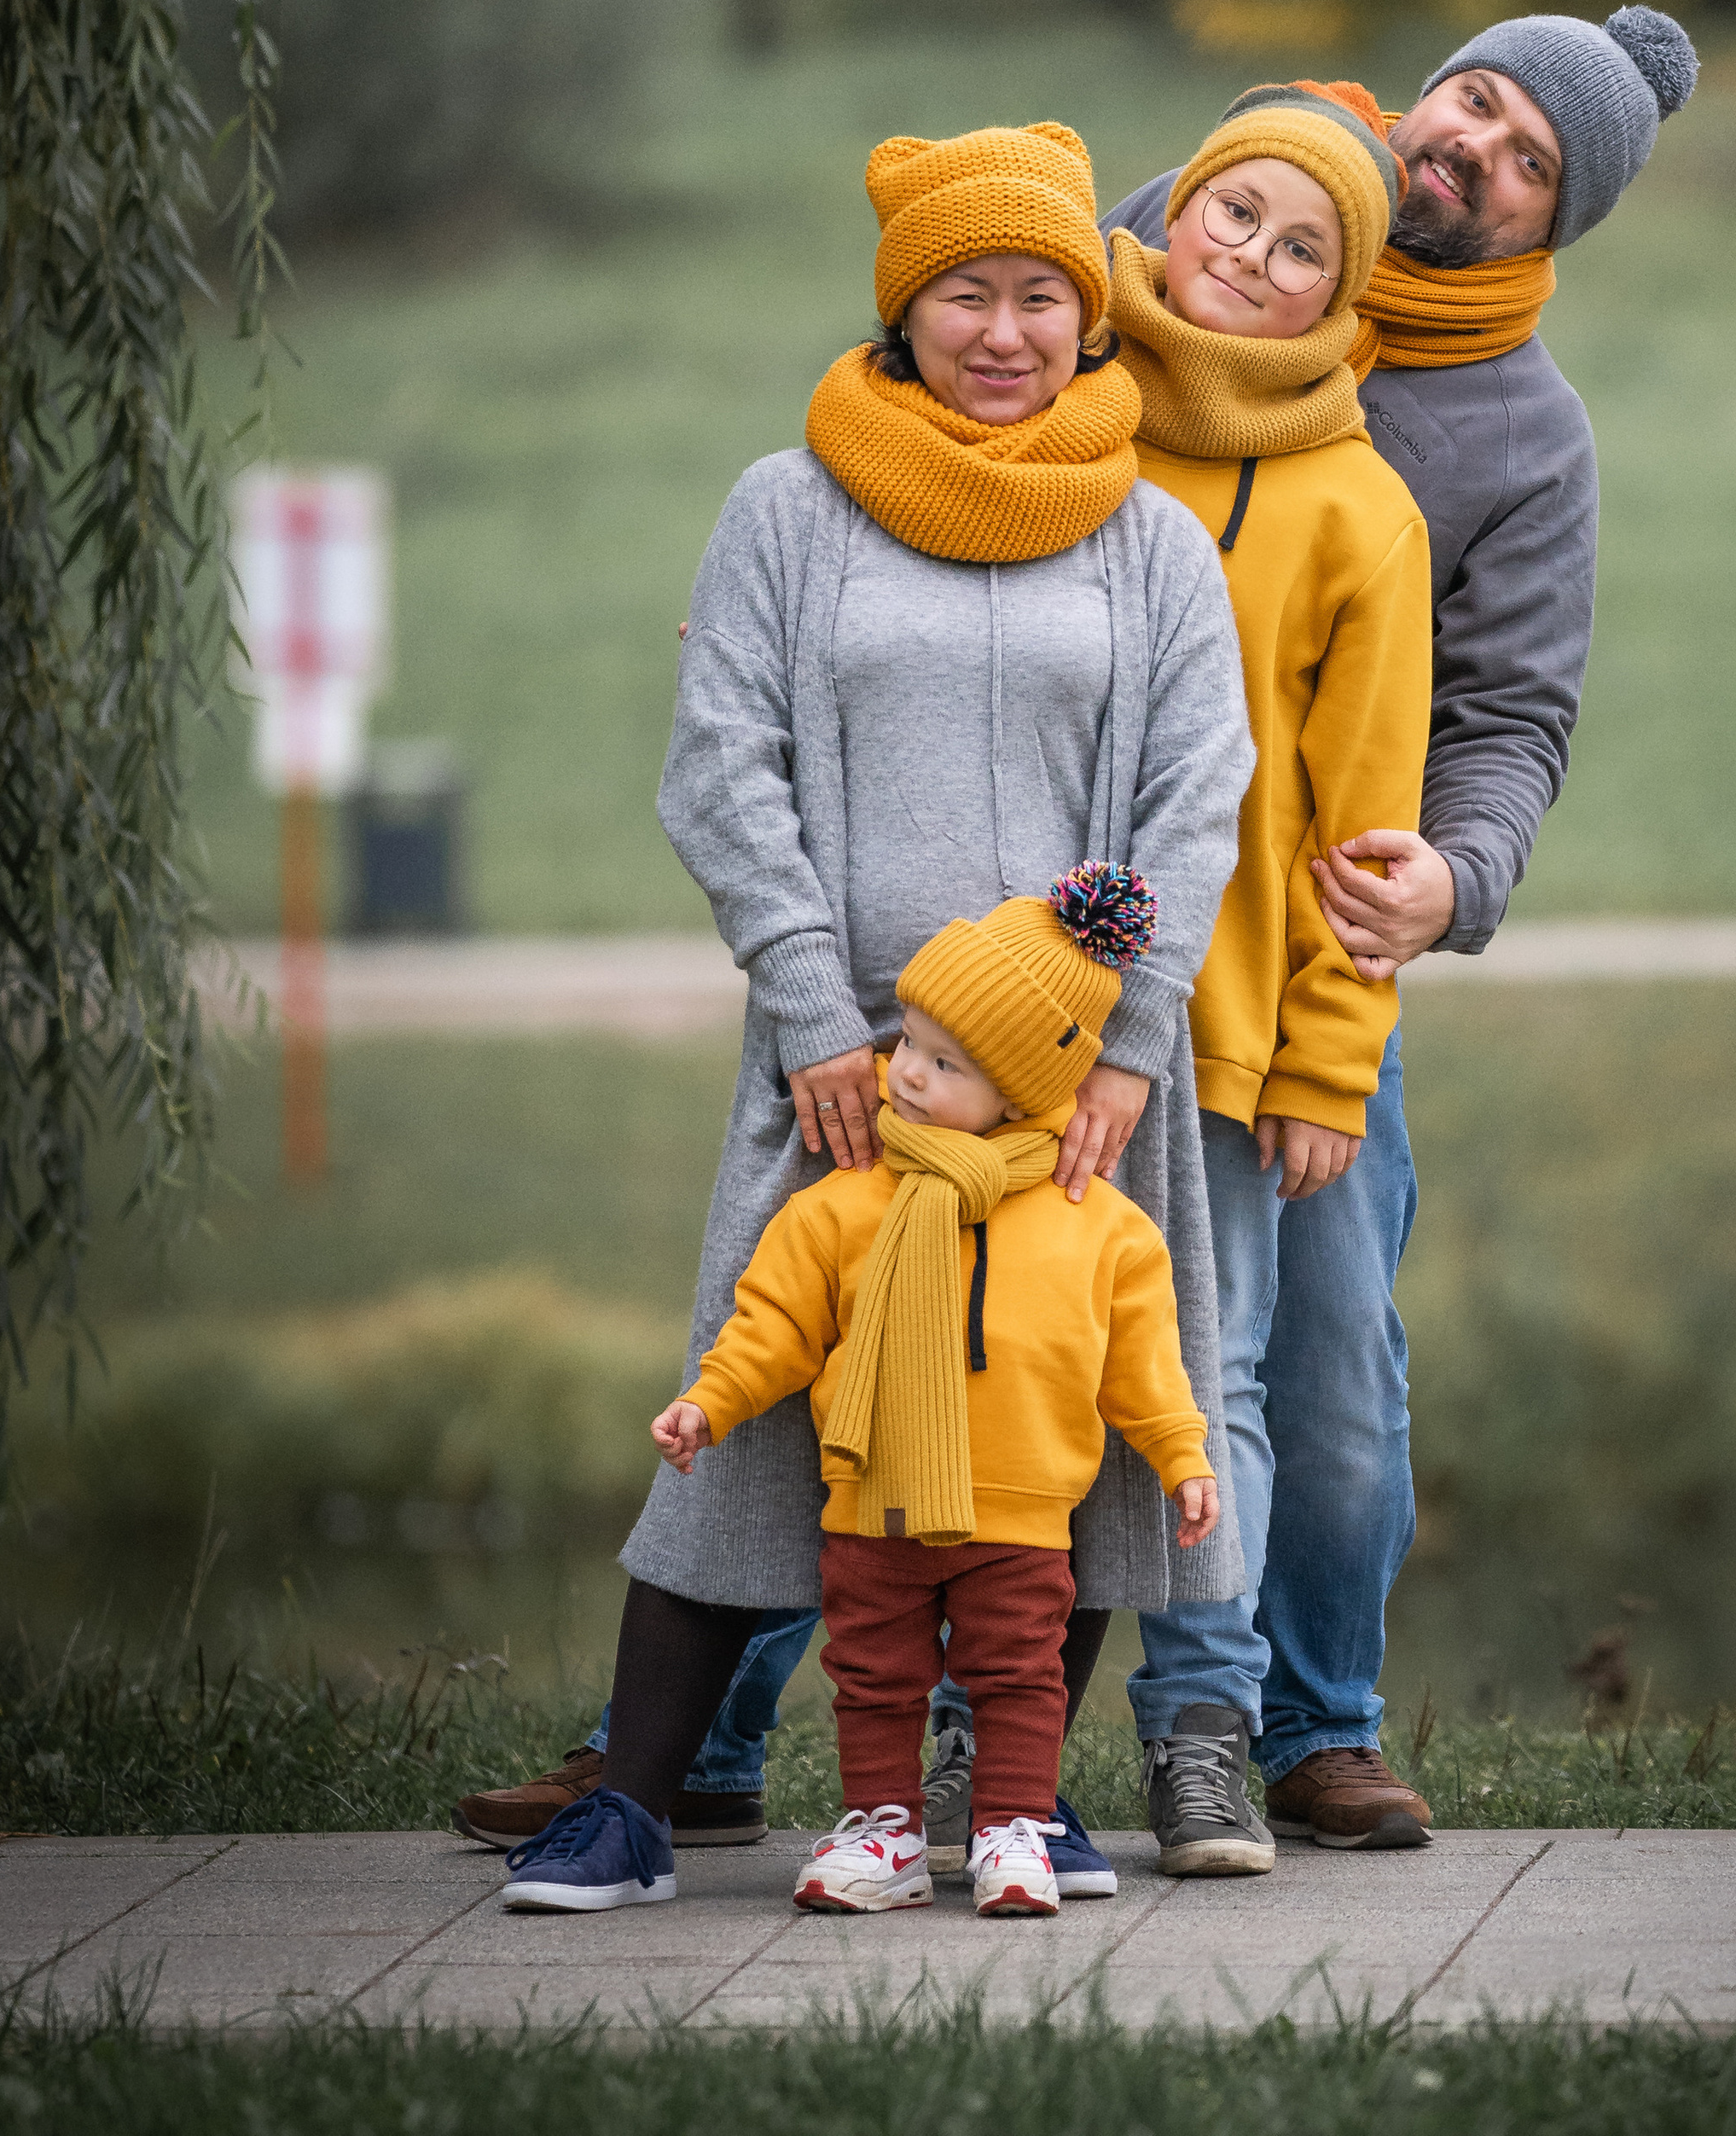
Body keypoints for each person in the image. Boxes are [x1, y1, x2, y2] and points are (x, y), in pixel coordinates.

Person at [473, 119, 1253, 1912]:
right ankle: (639, 1806)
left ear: (1087, 313)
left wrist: (1128, 1040)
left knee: (1052, 1425)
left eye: (1040, 294)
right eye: (963, 295)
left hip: (1070, 1093)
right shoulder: (788, 509)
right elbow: (721, 765)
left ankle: (1012, 1814)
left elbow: (1194, 801)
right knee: (741, 1412)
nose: (1004, 331)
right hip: (847, 1075)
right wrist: (812, 1002)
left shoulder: (1146, 542)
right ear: (901, 317)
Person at [1100, 4, 1697, 1860]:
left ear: (1543, 230)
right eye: (1482, 106)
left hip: (1302, 956)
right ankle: (689, 1734)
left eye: (1532, 167)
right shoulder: (1189, 235)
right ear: (1426, 88)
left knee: (1329, 1376)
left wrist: (1458, 875)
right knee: (904, 1315)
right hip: (1044, 934)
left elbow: (1510, 720)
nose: (1481, 156)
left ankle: (1309, 1727)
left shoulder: (1520, 434)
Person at [504, 869, 1219, 1922]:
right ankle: (882, 1829)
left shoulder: (1098, 1226)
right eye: (909, 1045)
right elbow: (777, 1327)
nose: (906, 1075)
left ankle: (1010, 1827)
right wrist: (711, 1400)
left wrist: (1183, 1458)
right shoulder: (844, 1205)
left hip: (1021, 1514)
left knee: (1019, 1677)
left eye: (942, 1062)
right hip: (873, 1503)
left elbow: (1144, 1366)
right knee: (874, 1677)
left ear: (1022, 1093)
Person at [1097, 84, 1433, 1873]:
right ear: (1174, 210)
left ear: (1336, 300)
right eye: (1234, 212)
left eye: (1301, 249)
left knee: (1207, 1383)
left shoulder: (1355, 508)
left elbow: (1365, 828)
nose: (1252, 257)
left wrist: (1322, 1063)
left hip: (1214, 1027)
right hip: (996, 1016)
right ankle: (951, 1745)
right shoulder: (1055, 409)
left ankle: (1205, 1736)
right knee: (968, 1366)